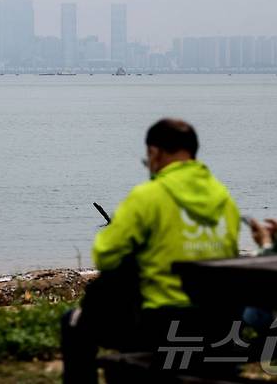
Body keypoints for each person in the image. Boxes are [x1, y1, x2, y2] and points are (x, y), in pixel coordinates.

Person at [61, 118, 240, 384]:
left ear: (154, 153)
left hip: (162, 324)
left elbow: (105, 255)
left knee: (73, 322)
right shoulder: (224, 199)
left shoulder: (148, 196)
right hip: (219, 326)